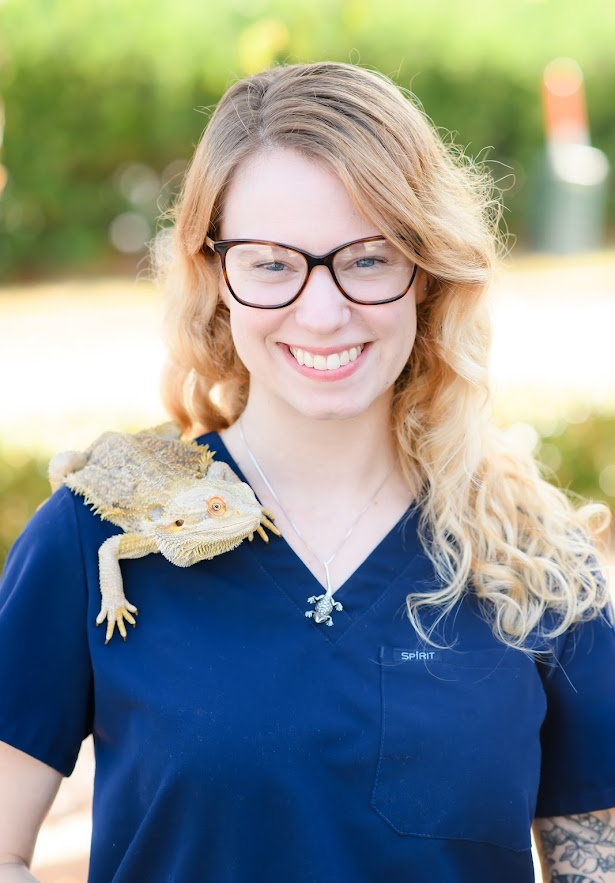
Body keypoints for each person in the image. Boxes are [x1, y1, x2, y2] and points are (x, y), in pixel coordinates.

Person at [0, 61, 614, 883]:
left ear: (426, 272)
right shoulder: (94, 536)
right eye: (269, 263)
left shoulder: (538, 564)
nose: (322, 311)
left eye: (367, 258)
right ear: (214, 275)